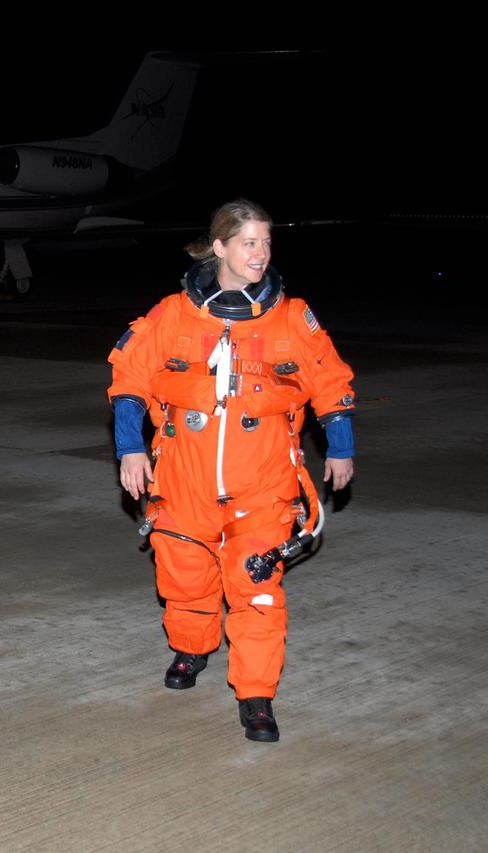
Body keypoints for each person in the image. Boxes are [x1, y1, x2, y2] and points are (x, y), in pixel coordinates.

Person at [108, 199, 355, 742]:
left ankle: (256, 694)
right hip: (183, 479)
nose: (260, 254)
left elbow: (331, 384)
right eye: (249, 243)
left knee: (256, 586)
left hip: (263, 483)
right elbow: (128, 379)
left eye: (266, 243)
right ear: (218, 247)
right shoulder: (172, 315)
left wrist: (340, 447)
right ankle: (191, 651)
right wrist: (130, 449)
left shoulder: (292, 318)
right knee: (186, 578)